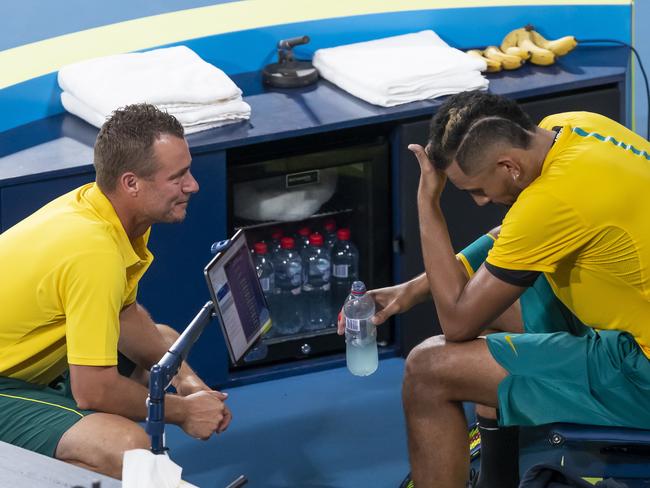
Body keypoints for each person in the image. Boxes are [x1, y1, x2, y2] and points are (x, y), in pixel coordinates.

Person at [340, 91, 650, 488]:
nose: (481, 201)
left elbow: (457, 323)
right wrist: (412, 290)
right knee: (493, 299)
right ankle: (495, 477)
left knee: (428, 369)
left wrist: (428, 202)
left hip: (639, 369)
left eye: (477, 189)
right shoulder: (576, 126)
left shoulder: (552, 200)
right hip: (632, 311)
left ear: (509, 166)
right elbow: (514, 237)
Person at [0, 103, 232, 479]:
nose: (193, 185)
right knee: (127, 450)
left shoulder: (117, 213)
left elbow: (124, 315)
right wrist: (183, 412)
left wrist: (189, 384)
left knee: (165, 349)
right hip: (6, 384)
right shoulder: (94, 250)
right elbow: (93, 391)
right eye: (178, 176)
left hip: (25, 369)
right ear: (131, 183)